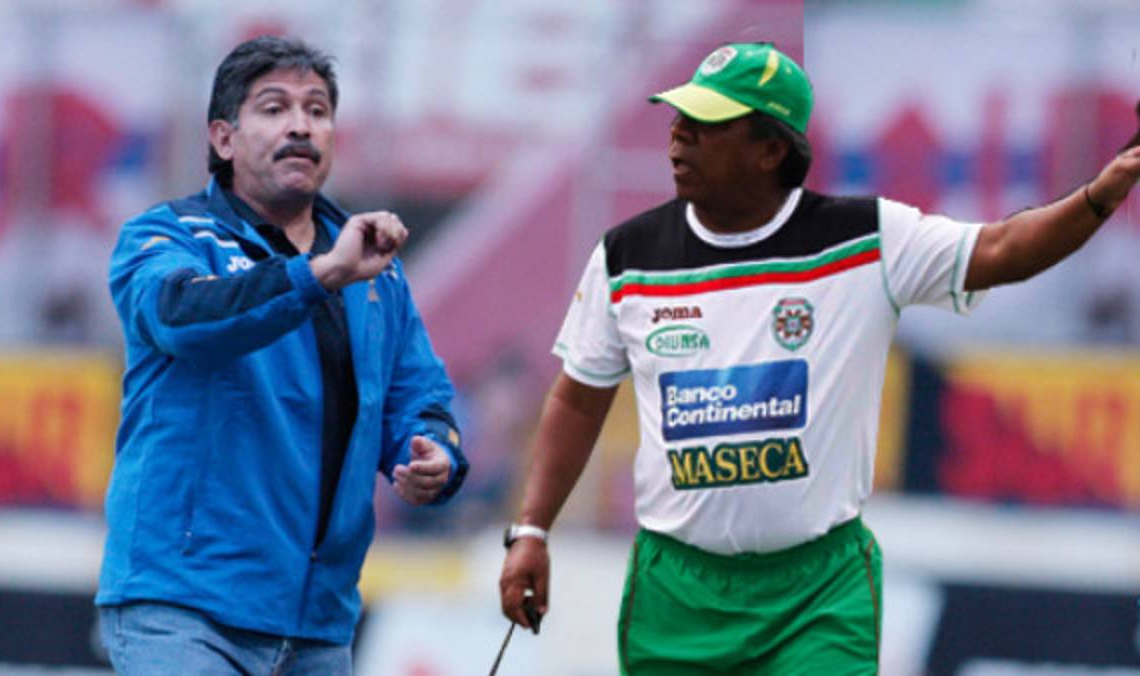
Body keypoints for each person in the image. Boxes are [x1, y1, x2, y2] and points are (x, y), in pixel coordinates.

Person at [498, 42, 1140, 673]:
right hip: (677, 593)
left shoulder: (866, 239)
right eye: (679, 117)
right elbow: (577, 399)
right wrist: (532, 530)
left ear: (770, 151)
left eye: (706, 123)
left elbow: (1001, 251)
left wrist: (1102, 193)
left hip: (816, 593)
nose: (678, 136)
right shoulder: (626, 256)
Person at [97, 36, 468, 675]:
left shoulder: (376, 270)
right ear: (223, 138)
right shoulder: (165, 235)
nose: (301, 125)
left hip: (318, 628)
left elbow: (417, 397)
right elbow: (183, 318)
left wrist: (434, 453)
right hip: (183, 608)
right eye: (274, 108)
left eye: (317, 110)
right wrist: (319, 274)